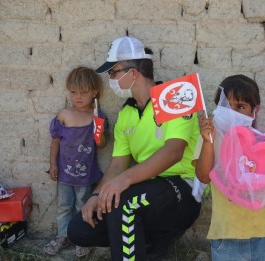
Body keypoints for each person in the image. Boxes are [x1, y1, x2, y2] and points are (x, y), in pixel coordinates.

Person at [67, 36, 201, 261]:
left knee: (125, 201)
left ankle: (150, 244)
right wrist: (97, 195)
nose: (110, 79)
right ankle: (150, 246)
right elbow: (118, 163)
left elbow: (174, 151)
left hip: (182, 188)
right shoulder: (126, 113)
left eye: (113, 72)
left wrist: (124, 180)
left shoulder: (175, 97)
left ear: (133, 73)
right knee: (79, 229)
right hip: (145, 188)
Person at [194, 75, 265, 261]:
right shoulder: (210, 139)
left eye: (240, 106)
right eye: (226, 106)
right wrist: (207, 142)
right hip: (227, 235)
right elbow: (203, 176)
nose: (231, 111)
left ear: (255, 111)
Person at [44, 66, 108, 257]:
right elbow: (55, 141)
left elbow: (102, 144)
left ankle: (83, 239)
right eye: (73, 92)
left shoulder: (96, 116)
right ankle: (63, 236)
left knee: (83, 207)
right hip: (64, 174)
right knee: (64, 207)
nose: (78, 97)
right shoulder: (64, 115)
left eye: (84, 92)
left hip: (86, 176)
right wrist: (53, 164)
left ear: (94, 92)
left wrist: (99, 130)